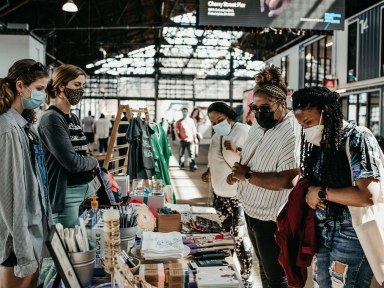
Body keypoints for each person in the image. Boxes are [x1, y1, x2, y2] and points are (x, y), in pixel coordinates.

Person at [291, 86, 381, 287]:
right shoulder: (321, 142)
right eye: (301, 125)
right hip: (322, 232)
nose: (306, 130)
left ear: (327, 111)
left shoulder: (358, 138)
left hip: (351, 235)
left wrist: (321, 193)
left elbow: (367, 196)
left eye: (308, 122)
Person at [226, 66, 300, 287]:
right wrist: (239, 173)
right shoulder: (259, 123)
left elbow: (288, 180)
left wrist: (247, 175)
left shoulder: (291, 132)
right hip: (251, 210)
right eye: (255, 107)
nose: (259, 113)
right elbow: (251, 155)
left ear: (282, 104)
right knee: (264, 270)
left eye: (265, 107)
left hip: (272, 218)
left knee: (277, 276)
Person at [0, 59, 52, 287]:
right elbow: (10, 196)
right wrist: (23, 252)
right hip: (17, 239)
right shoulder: (9, 130)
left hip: (32, 230)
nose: (42, 95)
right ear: (20, 86)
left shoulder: (24, 127)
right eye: (39, 89)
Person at [38, 64, 98, 228]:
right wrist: (94, 162)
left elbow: (81, 155)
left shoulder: (74, 118)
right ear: (61, 86)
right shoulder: (51, 119)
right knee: (67, 249)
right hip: (66, 194)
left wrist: (86, 161)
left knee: (88, 244)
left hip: (87, 190)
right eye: (77, 85)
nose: (81, 90)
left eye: (83, 86)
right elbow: (72, 162)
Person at [202, 102, 253, 285]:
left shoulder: (243, 131)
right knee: (224, 237)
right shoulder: (217, 136)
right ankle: (226, 275)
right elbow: (214, 158)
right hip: (219, 194)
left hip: (237, 195)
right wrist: (209, 172)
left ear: (229, 116)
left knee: (239, 237)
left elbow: (252, 160)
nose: (216, 124)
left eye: (220, 120)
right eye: (213, 122)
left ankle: (247, 279)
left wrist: (235, 151)